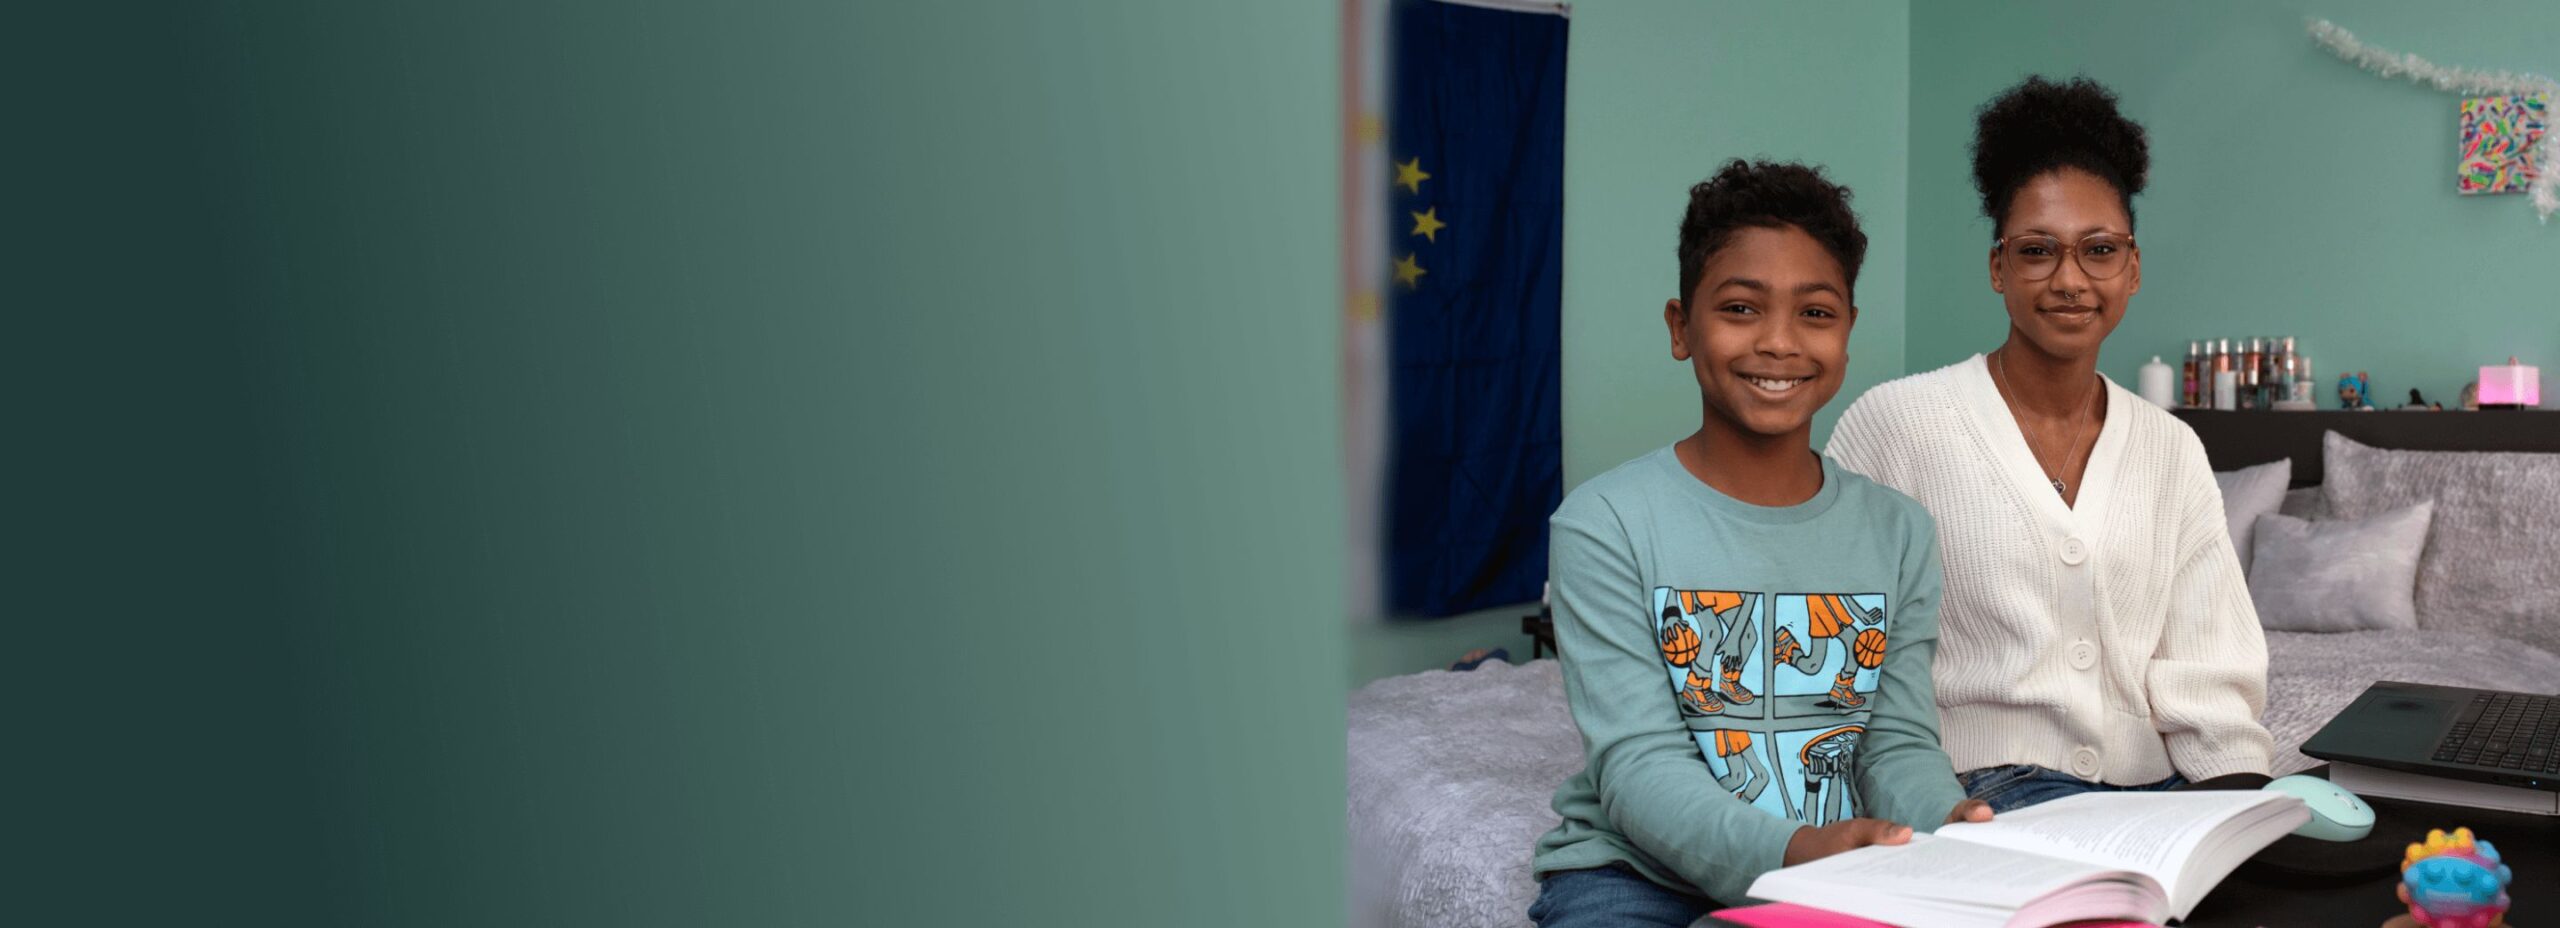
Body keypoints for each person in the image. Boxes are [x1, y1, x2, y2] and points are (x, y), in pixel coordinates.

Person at [1528, 159, 1990, 927]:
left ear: (1846, 332)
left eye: (1815, 314)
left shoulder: (1901, 531)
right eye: (1741, 308)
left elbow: (1895, 743)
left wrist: (1946, 827)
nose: (1779, 343)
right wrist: (1798, 852)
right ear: (1682, 327)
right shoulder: (1604, 523)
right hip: (1638, 874)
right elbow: (1639, 766)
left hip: (1842, 866)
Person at [1825, 76, 2274, 814]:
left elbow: (2208, 672)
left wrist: (2238, 812)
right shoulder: (1896, 425)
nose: (2070, 279)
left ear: (2133, 268)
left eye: (2099, 250)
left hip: (2150, 795)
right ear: (1999, 268)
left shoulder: (2172, 449)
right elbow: (1836, 658)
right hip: (1976, 794)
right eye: (2038, 250)